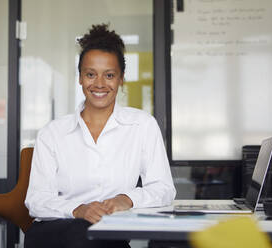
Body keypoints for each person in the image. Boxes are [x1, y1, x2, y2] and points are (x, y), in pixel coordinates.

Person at [24, 24, 176, 248]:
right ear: (80, 78)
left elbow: (163, 189)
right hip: (56, 232)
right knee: (84, 233)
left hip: (107, 235)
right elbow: (36, 200)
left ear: (121, 79)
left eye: (110, 75)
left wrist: (126, 199)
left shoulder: (142, 125)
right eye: (90, 74)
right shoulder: (53, 133)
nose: (99, 84)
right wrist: (78, 209)